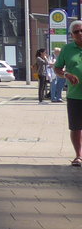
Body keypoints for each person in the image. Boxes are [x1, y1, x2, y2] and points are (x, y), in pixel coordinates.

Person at [51, 20, 82, 166]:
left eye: (81, 30)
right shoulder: (67, 49)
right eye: (76, 32)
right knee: (76, 127)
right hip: (75, 96)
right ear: (72, 35)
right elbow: (57, 69)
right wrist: (66, 75)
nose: (80, 33)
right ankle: (78, 156)